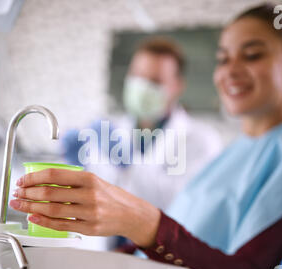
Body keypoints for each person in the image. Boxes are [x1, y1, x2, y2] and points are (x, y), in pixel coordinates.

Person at [9, 4, 282, 269]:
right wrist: (84, 264)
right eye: (223, 58)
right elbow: (188, 229)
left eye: (252, 55)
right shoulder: (235, 154)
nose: (231, 70)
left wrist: (139, 219)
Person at [62, 37, 223, 211]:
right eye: (136, 77)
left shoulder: (202, 140)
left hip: (160, 238)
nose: (142, 87)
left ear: (177, 86)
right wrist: (78, 170)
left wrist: (130, 165)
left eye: (155, 81)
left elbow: (183, 203)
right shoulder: (111, 131)